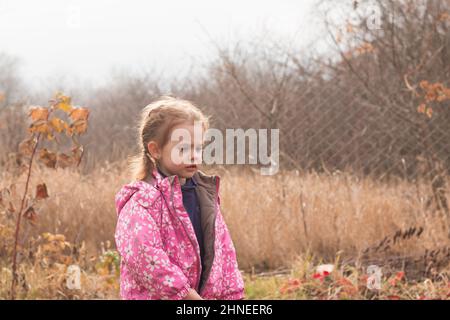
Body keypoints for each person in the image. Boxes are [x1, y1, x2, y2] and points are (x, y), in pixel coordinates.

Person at [114, 96, 244, 300]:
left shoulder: (204, 195)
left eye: (198, 148)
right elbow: (144, 257)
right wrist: (185, 295)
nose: (194, 156)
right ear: (155, 150)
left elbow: (223, 253)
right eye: (183, 149)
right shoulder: (143, 201)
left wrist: (233, 296)